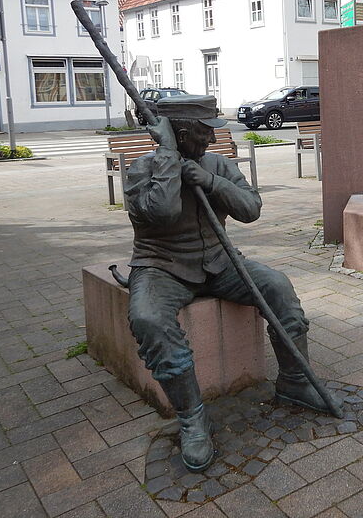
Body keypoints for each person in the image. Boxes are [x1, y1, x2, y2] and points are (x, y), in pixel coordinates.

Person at [124, 95, 336, 472]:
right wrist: (169, 158)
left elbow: (250, 209)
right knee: (149, 320)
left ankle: (294, 382)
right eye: (205, 132)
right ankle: (192, 418)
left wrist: (209, 181)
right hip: (163, 267)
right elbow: (163, 212)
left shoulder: (217, 164)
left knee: (278, 286)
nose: (212, 139)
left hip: (220, 263)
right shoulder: (143, 169)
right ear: (180, 133)